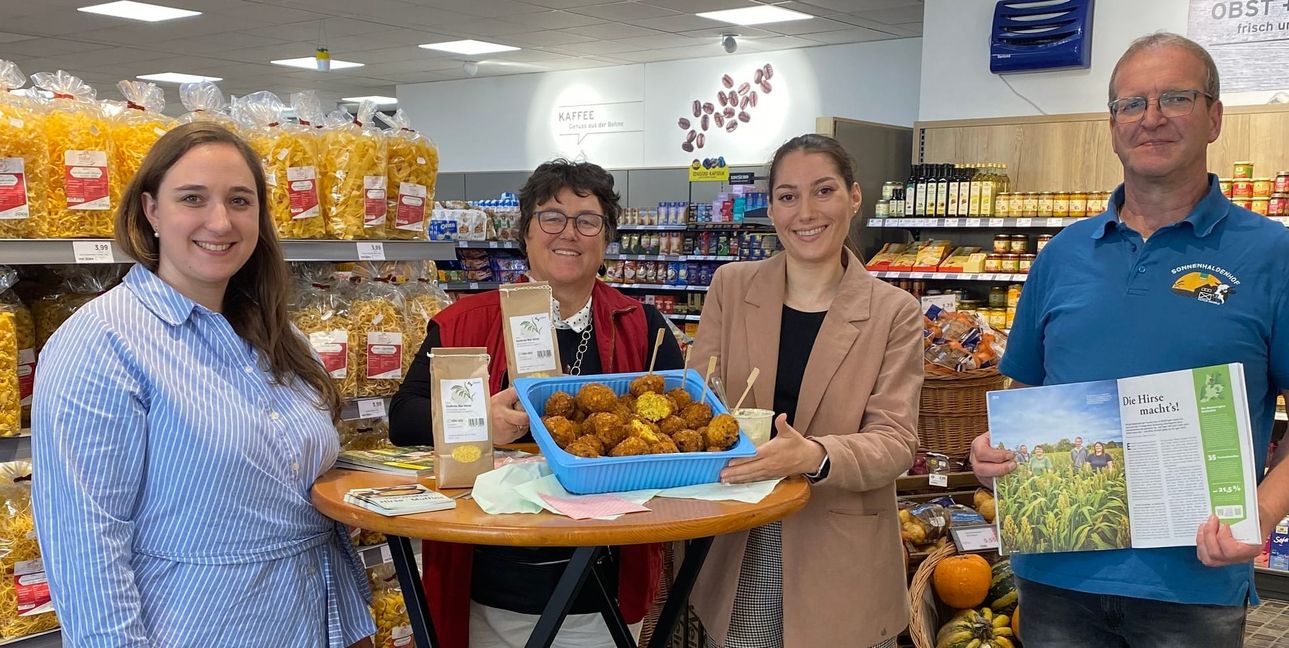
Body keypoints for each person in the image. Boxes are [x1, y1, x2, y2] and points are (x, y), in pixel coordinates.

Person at [970, 33, 1289, 647]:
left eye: (1176, 97)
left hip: (1193, 587)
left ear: (1215, 116)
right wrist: (995, 453)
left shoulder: (1271, 255)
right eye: (1131, 103)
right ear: (1112, 123)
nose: (1152, 118)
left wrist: (1264, 513)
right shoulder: (1061, 256)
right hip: (1055, 578)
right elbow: (1024, 391)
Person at [31, 123, 375, 647]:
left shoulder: (282, 337)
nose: (220, 221)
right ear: (151, 211)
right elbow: (85, 545)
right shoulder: (101, 343)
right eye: (193, 198)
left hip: (317, 619)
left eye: (240, 200)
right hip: (199, 626)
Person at [388, 159, 683, 648]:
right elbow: (404, 419)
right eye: (551, 216)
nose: (569, 232)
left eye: (588, 220)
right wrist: (480, 421)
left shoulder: (643, 327)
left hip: (604, 591)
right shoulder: (463, 323)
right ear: (524, 231)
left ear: (606, 238)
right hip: (489, 590)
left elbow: (674, 434)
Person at [687, 134, 922, 648]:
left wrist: (812, 454)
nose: (806, 211)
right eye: (788, 196)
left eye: (824, 191)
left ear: (854, 197)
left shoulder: (893, 313)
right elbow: (695, 406)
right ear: (770, 208)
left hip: (841, 553)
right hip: (740, 538)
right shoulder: (731, 287)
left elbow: (896, 441)